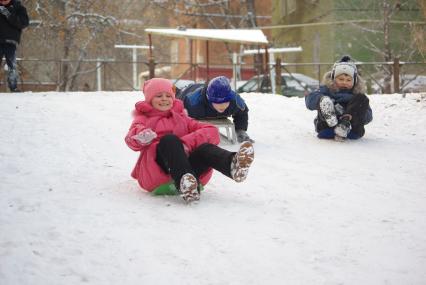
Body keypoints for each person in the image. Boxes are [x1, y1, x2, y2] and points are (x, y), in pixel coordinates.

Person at [125, 78, 255, 203]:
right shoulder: (144, 119)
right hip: (159, 169)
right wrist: (141, 136)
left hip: (191, 172)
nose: (164, 99)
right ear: (149, 99)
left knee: (204, 148)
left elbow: (211, 131)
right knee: (169, 140)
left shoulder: (182, 117)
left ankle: (232, 165)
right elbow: (132, 137)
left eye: (168, 96)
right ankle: (185, 184)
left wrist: (185, 143)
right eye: (159, 96)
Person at [305, 55, 373, 141]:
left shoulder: (357, 96)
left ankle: (344, 125)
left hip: (352, 130)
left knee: (362, 99)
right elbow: (309, 101)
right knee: (323, 98)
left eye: (348, 80)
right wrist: (321, 100)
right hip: (327, 128)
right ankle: (330, 114)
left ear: (355, 81)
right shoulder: (326, 90)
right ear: (333, 78)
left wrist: (356, 114)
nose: (344, 82)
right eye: (341, 79)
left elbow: (368, 117)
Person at [176, 76, 254, 143]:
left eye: (226, 102)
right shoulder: (192, 103)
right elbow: (181, 115)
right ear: (210, 100)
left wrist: (240, 130)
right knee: (177, 94)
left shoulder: (235, 101)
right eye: (218, 102)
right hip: (190, 89)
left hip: (205, 89)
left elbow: (242, 113)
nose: (223, 105)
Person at [0, 0, 29, 92]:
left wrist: (8, 15)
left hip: (11, 40)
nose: (3, 1)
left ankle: (13, 87)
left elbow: (23, 23)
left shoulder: (19, 8)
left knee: (11, 64)